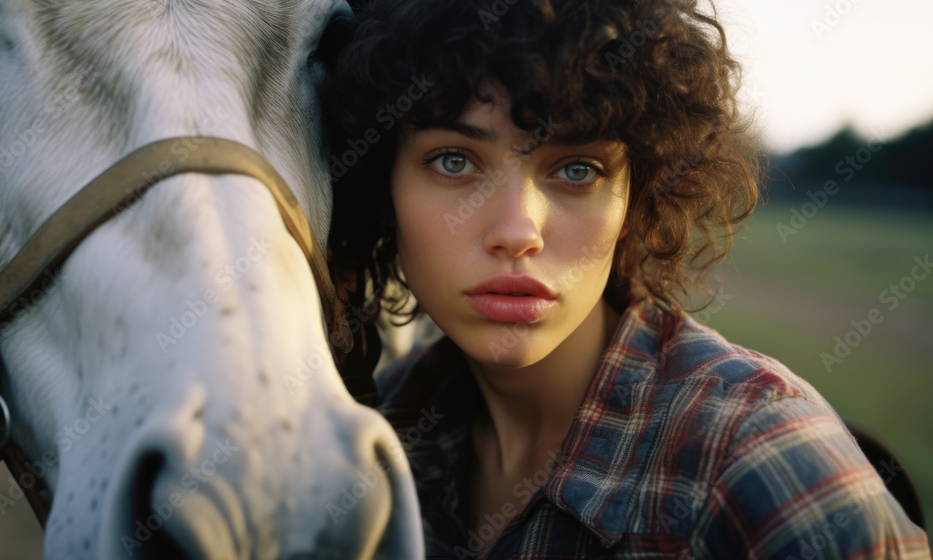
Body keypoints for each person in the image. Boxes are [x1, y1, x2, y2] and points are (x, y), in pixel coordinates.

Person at [322, 0, 932, 558]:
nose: (517, 230)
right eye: (453, 160)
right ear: (381, 189)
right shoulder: (368, 429)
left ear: (634, 202)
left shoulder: (758, 459)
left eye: (578, 169)